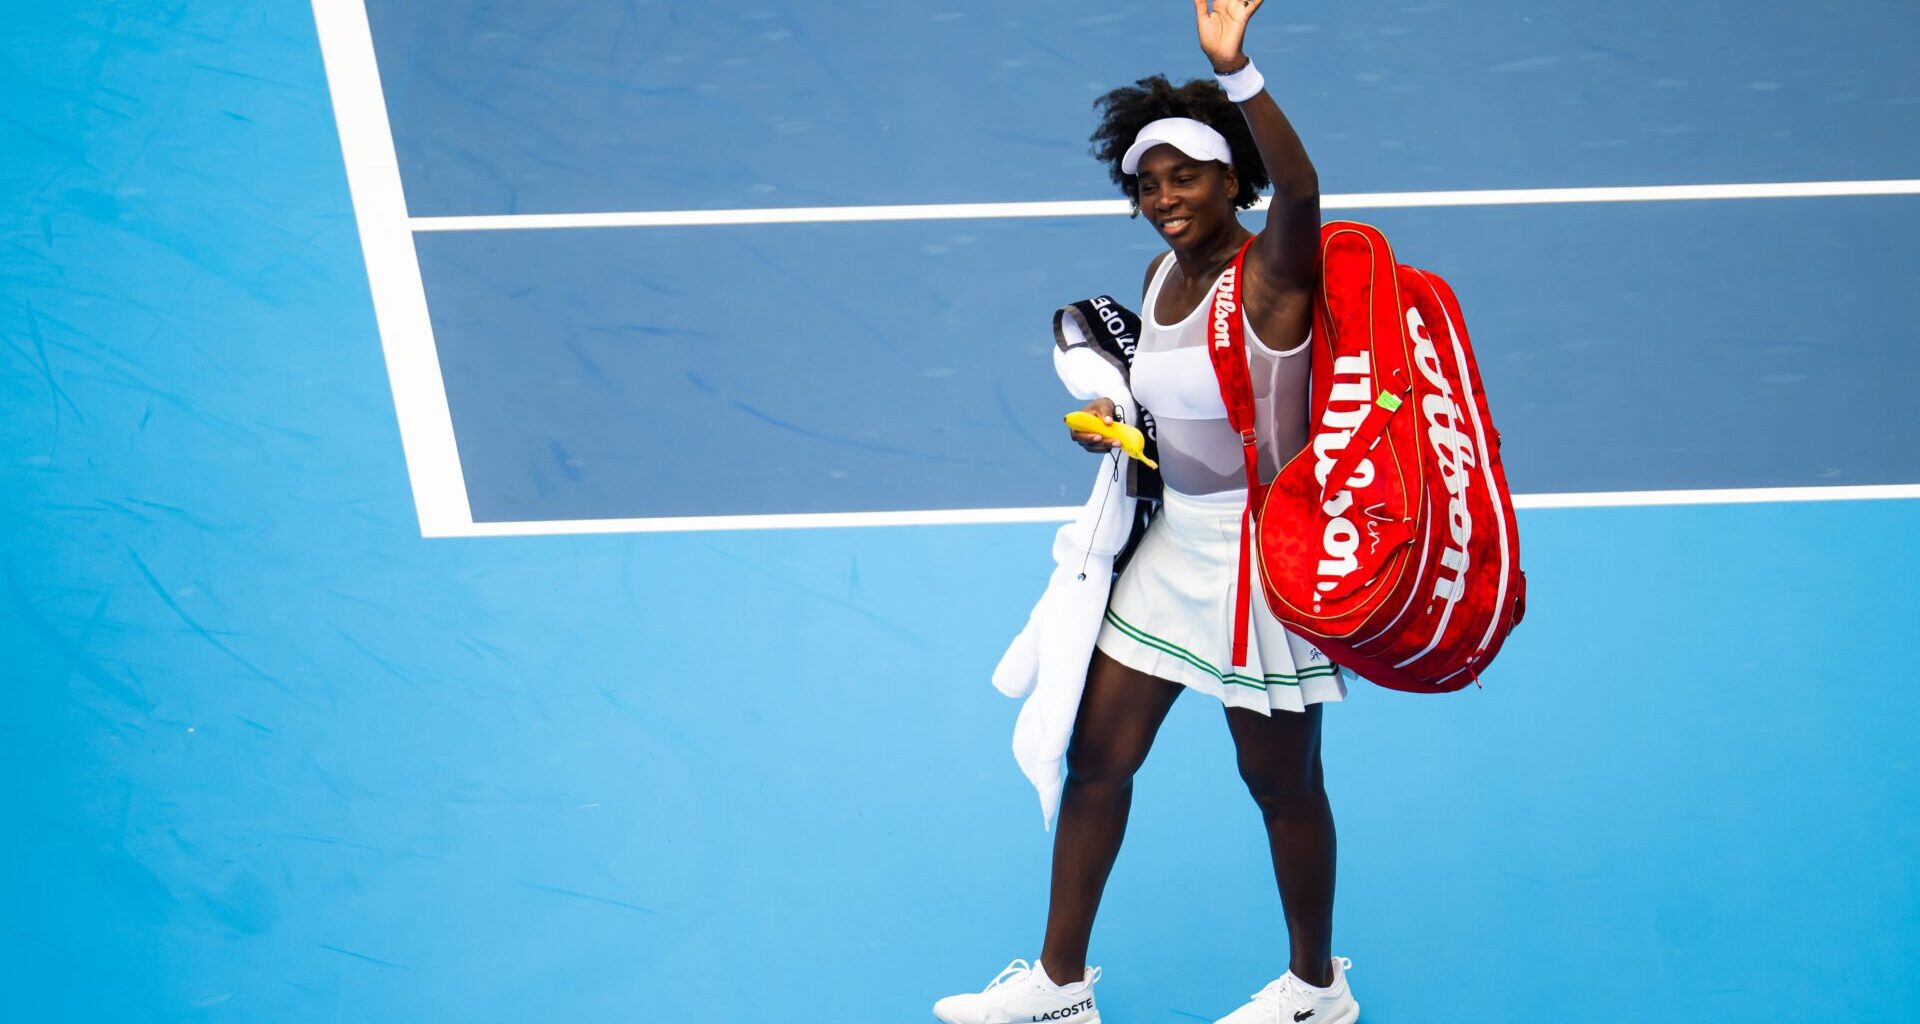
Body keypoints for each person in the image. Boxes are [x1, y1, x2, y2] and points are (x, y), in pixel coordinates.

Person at [933, 3, 1360, 1024]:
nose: (1164, 196)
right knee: (1097, 760)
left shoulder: (1274, 274)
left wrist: (1237, 70)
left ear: (1232, 178)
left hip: (1263, 564)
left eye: (1186, 176)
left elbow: (1303, 189)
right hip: (1173, 550)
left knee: (1281, 785)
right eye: (1148, 182)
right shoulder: (1162, 275)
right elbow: (1175, 421)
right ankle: (1060, 986)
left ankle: (1317, 988)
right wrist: (1117, 432)